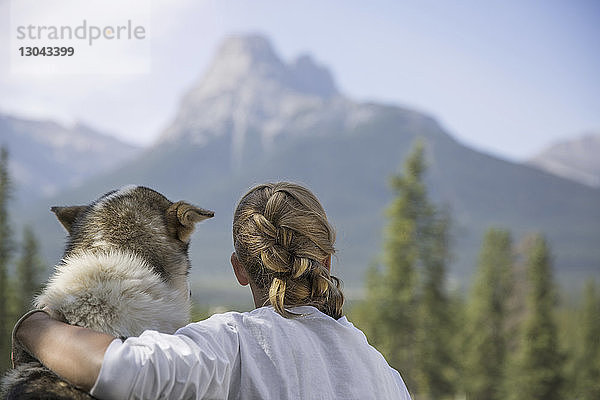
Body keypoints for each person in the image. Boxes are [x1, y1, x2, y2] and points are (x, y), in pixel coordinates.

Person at [13, 182, 411, 399]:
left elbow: (118, 371)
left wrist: (34, 327)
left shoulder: (233, 343)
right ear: (325, 261)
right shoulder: (387, 376)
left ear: (239, 270)